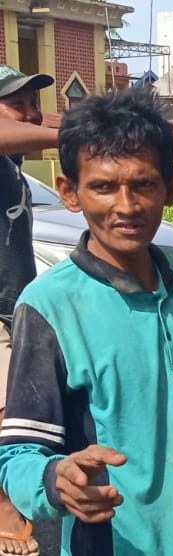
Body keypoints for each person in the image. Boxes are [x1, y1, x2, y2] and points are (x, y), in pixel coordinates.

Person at [0, 87, 173, 556]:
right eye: (103, 187)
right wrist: (56, 479)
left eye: (143, 184)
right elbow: (18, 454)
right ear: (70, 192)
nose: (126, 205)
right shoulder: (50, 305)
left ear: (171, 186)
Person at [0, 63, 57, 556]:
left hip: (13, 304)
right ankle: (4, 507)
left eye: (34, 103)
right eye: (16, 104)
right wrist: (86, 134)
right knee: (6, 413)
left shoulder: (11, 166)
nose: (31, 114)